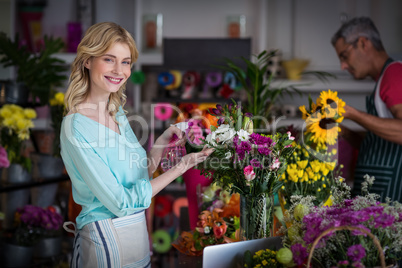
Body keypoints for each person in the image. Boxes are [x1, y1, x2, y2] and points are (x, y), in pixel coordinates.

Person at [60, 22, 213, 268]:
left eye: (126, 61)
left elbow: (141, 173)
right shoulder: (76, 127)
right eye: (109, 59)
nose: (119, 70)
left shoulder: (117, 112)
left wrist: (162, 140)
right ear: (87, 61)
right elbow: (120, 203)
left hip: (137, 241)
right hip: (104, 244)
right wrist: (180, 168)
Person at [331, 17, 402, 202]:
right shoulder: (381, 80)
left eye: (344, 56)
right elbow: (378, 143)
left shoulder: (394, 74)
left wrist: (352, 113)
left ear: (363, 43)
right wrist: (342, 131)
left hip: (391, 199)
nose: (343, 66)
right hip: (377, 198)